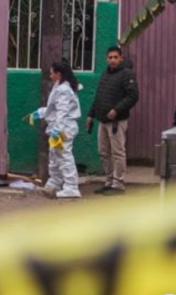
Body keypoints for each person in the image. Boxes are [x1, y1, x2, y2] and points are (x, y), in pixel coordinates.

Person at [87, 46, 139, 195]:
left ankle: (118, 184)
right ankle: (109, 181)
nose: (113, 60)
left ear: (121, 58)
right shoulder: (105, 74)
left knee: (117, 153)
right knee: (103, 152)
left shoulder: (127, 74)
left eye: (116, 57)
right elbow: (99, 96)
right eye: (110, 57)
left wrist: (116, 110)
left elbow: (133, 96)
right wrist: (91, 115)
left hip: (117, 121)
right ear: (106, 59)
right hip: (102, 120)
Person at [32, 62, 83, 199]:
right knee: (54, 156)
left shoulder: (63, 90)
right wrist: (40, 113)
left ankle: (71, 187)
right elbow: (54, 109)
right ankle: (54, 183)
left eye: (52, 73)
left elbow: (62, 111)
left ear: (58, 74)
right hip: (61, 126)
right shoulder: (60, 87)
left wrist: (57, 130)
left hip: (64, 127)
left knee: (64, 156)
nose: (50, 75)